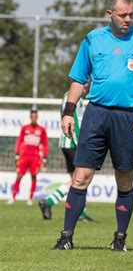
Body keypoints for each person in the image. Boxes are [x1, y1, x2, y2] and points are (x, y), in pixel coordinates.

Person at [52, 0, 133, 252]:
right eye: (122, 15)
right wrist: (68, 112)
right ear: (109, 14)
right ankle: (66, 236)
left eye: (131, 14)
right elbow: (79, 79)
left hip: (129, 117)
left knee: (124, 179)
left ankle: (120, 239)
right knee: (81, 176)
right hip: (96, 114)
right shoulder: (92, 40)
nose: (128, 19)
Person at [39, 85, 93, 222]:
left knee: (76, 178)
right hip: (72, 142)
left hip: (68, 143)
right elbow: (73, 120)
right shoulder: (72, 97)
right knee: (82, 176)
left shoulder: (76, 97)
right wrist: (81, 143)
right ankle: (49, 201)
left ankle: (80, 212)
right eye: (84, 83)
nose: (86, 86)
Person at [7, 109, 48, 205]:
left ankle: (30, 198)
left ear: (37, 117)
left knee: (34, 176)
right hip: (24, 156)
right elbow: (19, 141)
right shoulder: (25, 128)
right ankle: (13, 197)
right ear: (30, 117)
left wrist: (44, 156)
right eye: (32, 117)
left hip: (35, 157)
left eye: (35, 117)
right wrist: (17, 154)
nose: (34, 118)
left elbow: (45, 144)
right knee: (19, 175)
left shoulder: (41, 130)